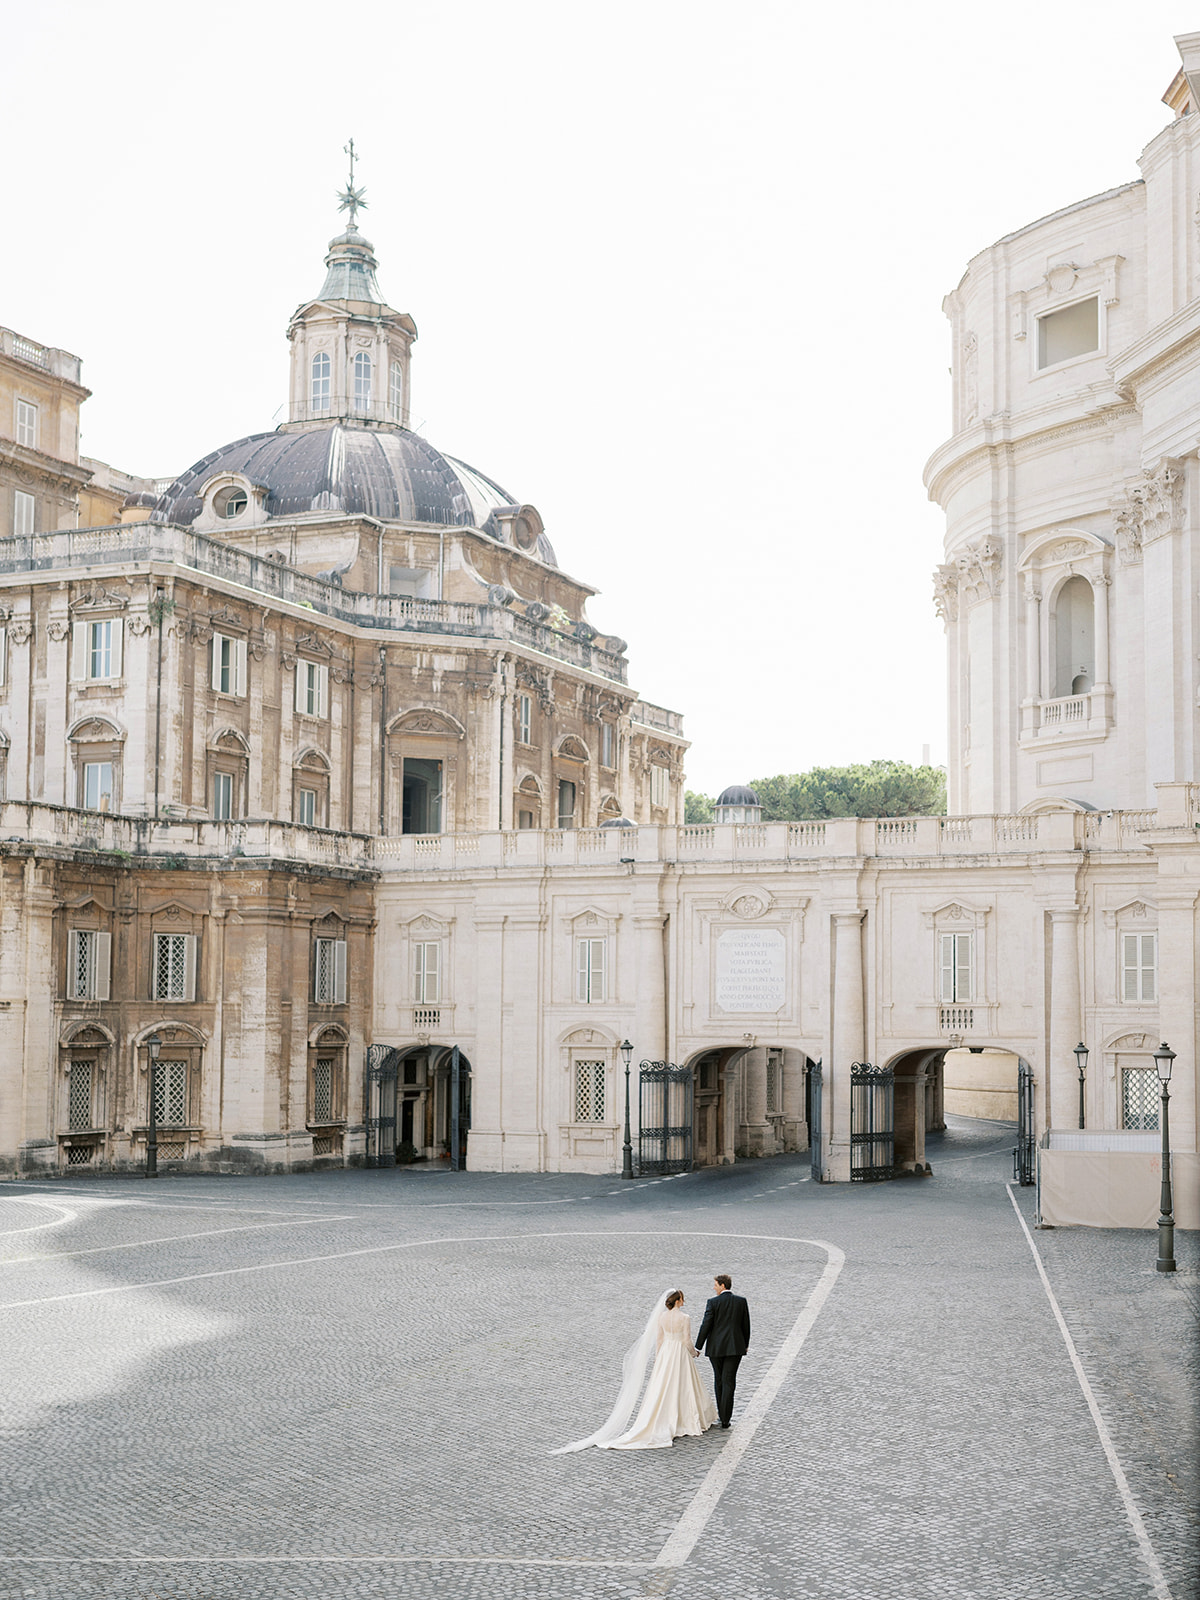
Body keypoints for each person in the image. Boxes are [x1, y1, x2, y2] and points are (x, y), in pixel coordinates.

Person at [552, 1289, 717, 1452]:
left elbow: (659, 1339)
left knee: (663, 1386)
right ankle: (685, 1418)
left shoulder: (662, 1317)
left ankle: (667, 1416)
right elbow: (686, 1340)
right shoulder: (685, 1318)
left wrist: (659, 1358)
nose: (684, 1301)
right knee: (683, 1385)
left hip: (666, 1353)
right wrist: (693, 1353)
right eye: (682, 1298)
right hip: (679, 1353)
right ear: (678, 1300)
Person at [695, 1273, 750, 1429]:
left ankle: (721, 1413)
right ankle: (726, 1418)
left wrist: (698, 1346)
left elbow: (706, 1324)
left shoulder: (713, 1302)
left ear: (722, 1285)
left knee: (719, 1379)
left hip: (716, 1348)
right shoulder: (741, 1301)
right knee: (729, 1381)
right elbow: (746, 1325)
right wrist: (745, 1344)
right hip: (735, 1347)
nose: (714, 1288)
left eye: (715, 1285)